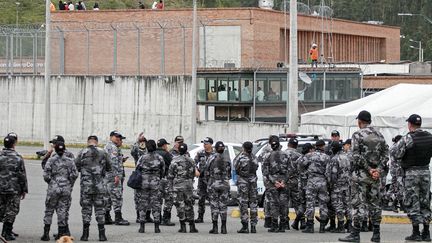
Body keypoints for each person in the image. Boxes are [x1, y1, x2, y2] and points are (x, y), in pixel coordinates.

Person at [339, 110, 388, 243]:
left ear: (360, 121)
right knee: (375, 204)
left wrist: (369, 169)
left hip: (361, 175)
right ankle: (376, 234)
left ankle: (355, 234)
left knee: (358, 203)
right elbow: (386, 154)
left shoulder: (357, 135)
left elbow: (356, 156)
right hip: (376, 177)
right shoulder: (380, 135)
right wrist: (377, 169)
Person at [391, 114, 432, 241]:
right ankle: (426, 232)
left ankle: (416, 233)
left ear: (410, 124)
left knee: (412, 202)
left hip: (411, 174)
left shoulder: (408, 138)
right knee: (425, 201)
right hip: (425, 171)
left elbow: (396, 153)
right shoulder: (430, 137)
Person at [75, 135, 111, 241]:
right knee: (100, 209)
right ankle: (102, 235)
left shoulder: (82, 152)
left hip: (86, 186)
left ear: (88, 142)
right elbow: (109, 167)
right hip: (99, 186)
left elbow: (76, 167)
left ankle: (85, 235)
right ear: (97, 142)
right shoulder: (103, 152)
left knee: (86, 210)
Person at [41, 142, 78, 241]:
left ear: (56, 150)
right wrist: (68, 182)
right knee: (62, 211)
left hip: (53, 188)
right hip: (65, 188)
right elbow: (75, 174)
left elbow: (45, 175)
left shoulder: (51, 160)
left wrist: (52, 182)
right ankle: (61, 234)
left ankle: (46, 234)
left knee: (49, 210)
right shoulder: (70, 161)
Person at [0, 136, 27, 241]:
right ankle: (6, 232)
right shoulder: (17, 157)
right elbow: (22, 175)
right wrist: (24, 189)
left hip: (1, 188)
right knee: (11, 210)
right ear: (14, 144)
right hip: (13, 189)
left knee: (1, 209)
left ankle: (5, 232)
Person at [168, 143, 199, 233]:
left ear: (178, 151)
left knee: (179, 205)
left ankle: (183, 226)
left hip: (177, 186)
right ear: (186, 150)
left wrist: (170, 187)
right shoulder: (191, 161)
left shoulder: (174, 161)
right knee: (189, 205)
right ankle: (192, 226)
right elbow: (193, 173)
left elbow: (170, 175)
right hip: (188, 185)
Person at [301, 140, 330, 234]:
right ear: (323, 146)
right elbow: (329, 171)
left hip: (312, 181)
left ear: (315, 146)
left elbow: (300, 165)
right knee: (323, 204)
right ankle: (322, 227)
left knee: (310, 203)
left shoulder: (309, 155)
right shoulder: (327, 157)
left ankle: (310, 226)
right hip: (322, 181)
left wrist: (306, 173)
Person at [136, 140, 165, 234]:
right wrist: (157, 177)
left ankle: (142, 227)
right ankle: (157, 227)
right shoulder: (159, 158)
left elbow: (137, 169)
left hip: (143, 183)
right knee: (156, 204)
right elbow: (163, 170)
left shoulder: (142, 158)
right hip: (155, 183)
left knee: (143, 204)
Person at [262, 136, 290, 233]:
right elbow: (290, 170)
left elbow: (265, 172)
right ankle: (282, 225)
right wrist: (283, 182)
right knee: (283, 204)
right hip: (283, 182)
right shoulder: (286, 155)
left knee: (274, 204)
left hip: (272, 183)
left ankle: (275, 225)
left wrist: (275, 182)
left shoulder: (267, 156)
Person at [104, 131, 129, 226]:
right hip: (113, 177)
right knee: (117, 196)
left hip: (107, 176)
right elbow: (113, 163)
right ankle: (118, 218)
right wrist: (116, 176)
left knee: (107, 197)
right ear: (111, 137)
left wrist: (121, 160)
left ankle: (106, 217)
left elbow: (110, 160)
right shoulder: (113, 147)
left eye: (120, 137)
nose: (119, 139)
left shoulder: (108, 146)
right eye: (117, 137)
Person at [206, 141, 231, 234]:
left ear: (215, 148)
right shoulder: (227, 159)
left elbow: (206, 171)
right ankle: (224, 227)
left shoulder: (211, 158)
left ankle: (215, 227)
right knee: (223, 206)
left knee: (214, 205)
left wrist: (209, 182)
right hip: (224, 184)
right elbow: (229, 174)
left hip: (213, 184)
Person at [234, 141, 259, 234]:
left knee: (243, 203)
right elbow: (256, 168)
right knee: (253, 204)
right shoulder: (254, 158)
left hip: (243, 182)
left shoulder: (240, 158)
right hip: (253, 182)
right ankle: (253, 226)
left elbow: (236, 168)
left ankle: (245, 226)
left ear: (243, 148)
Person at [327, 141, 352, 233]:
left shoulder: (334, 159)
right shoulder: (347, 157)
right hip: (346, 185)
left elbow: (333, 174)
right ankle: (349, 225)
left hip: (337, 186)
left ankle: (341, 226)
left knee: (338, 205)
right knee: (347, 205)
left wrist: (330, 185)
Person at [194, 137, 215, 223]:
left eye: (206, 144)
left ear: (210, 144)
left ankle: (214, 218)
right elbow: (194, 163)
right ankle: (200, 216)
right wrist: (196, 170)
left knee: (213, 199)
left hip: (212, 180)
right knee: (201, 198)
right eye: (204, 144)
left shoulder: (215, 154)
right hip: (202, 179)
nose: (204, 145)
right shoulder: (200, 153)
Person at [156, 138, 175, 226]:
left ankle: (158, 218)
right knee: (168, 199)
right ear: (164, 145)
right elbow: (173, 163)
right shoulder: (166, 154)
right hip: (166, 179)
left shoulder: (153, 153)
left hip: (156, 179)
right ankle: (166, 218)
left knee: (158, 199)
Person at [130, 132, 149, 223]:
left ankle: (147, 216)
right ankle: (139, 216)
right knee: (138, 197)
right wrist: (137, 141)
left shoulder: (149, 150)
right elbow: (132, 151)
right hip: (139, 175)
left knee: (149, 196)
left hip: (149, 176)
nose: (142, 143)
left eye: (144, 141)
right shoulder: (137, 152)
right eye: (141, 142)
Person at [284, 138, 302, 230]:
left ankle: (285, 223)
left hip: (285, 181)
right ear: (296, 145)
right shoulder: (299, 155)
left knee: (285, 203)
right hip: (296, 181)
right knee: (298, 203)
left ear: (288, 144)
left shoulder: (283, 154)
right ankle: (301, 222)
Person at [296, 143, 315, 231]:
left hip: (301, 184)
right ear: (310, 150)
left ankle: (296, 221)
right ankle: (307, 223)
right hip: (308, 184)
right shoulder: (309, 158)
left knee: (303, 204)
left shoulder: (299, 159)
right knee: (309, 204)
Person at [388, 135, 404, 212]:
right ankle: (394, 203)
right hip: (397, 169)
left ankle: (390, 201)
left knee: (394, 186)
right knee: (398, 186)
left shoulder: (393, 146)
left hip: (395, 169)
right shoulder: (396, 148)